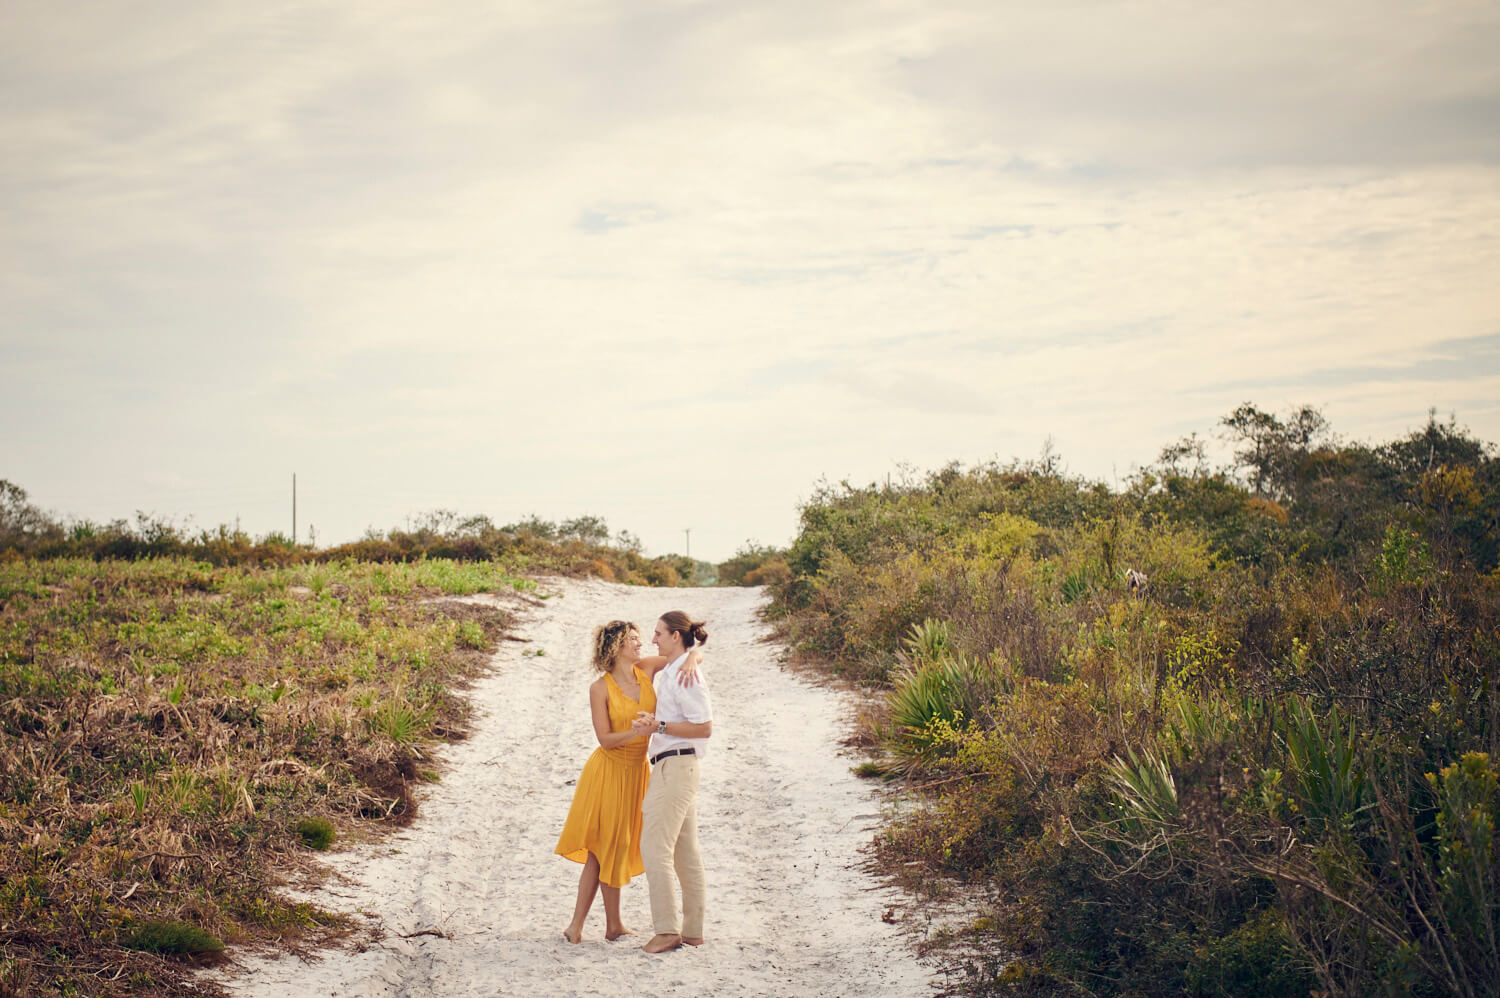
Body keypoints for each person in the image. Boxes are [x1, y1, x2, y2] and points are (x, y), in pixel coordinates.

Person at [555, 620, 701, 944]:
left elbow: (685, 655)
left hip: (638, 771)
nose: (641, 644)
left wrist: (692, 657)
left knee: (618, 844)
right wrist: (636, 732)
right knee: (600, 848)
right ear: (617, 646)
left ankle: (612, 925)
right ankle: (578, 925)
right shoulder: (599, 688)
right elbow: (605, 739)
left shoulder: (647, 670)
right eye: (634, 639)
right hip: (607, 771)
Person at [634, 611, 713, 954]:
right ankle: (693, 931)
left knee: (654, 848)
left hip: (677, 766)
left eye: (659, 633)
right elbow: (695, 652)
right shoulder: (674, 668)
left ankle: (667, 931)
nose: (653, 639)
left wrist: (659, 727)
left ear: (676, 636)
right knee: (684, 851)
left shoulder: (687, 676)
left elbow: (704, 728)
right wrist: (695, 652)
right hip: (675, 766)